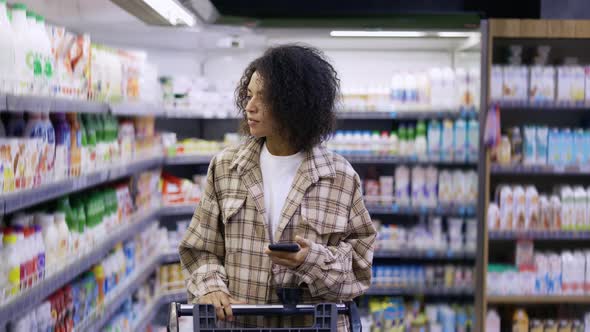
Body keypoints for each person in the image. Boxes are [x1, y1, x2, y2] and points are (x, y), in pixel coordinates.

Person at [179, 44, 376, 330]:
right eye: (248, 95)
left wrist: (311, 260)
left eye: (264, 97)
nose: (250, 106)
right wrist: (209, 287)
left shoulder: (340, 177)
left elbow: (359, 271)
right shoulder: (225, 167)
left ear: (297, 103)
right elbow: (199, 249)